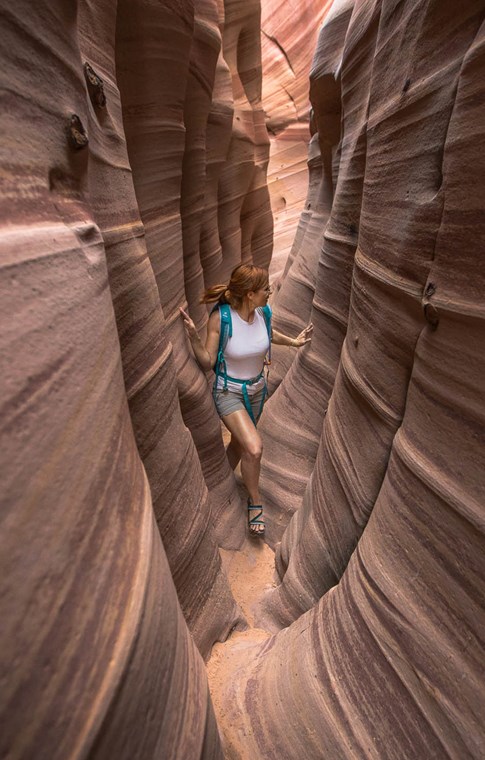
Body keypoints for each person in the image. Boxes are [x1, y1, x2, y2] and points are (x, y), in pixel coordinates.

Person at [180, 264, 312, 537]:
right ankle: (255, 502)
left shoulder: (263, 312)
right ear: (250, 294)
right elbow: (207, 361)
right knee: (253, 447)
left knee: (240, 445)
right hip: (228, 393)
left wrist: (294, 343)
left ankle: (221, 483)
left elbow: (268, 335)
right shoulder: (222, 319)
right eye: (265, 288)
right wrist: (193, 336)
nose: (270, 290)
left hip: (257, 393)